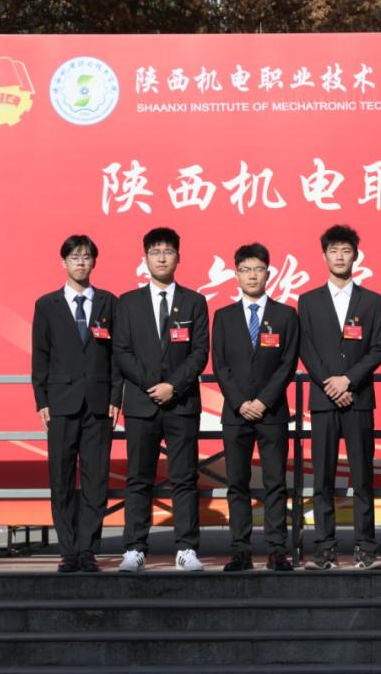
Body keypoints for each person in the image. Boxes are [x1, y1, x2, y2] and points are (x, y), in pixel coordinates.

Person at [113, 227, 209, 572]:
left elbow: (200, 352)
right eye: (155, 252)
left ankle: (186, 548)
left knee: (184, 478)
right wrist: (153, 385)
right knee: (139, 478)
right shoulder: (128, 302)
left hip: (181, 404)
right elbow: (122, 351)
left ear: (178, 257)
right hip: (142, 404)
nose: (162, 258)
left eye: (168, 251)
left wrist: (173, 386)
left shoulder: (194, 301)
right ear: (145, 259)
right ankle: (135, 548)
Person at [31, 234, 122, 573]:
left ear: (94, 262)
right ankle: (68, 550)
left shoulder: (108, 303)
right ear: (64, 263)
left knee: (96, 478)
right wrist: (41, 399)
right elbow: (40, 355)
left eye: (86, 257)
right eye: (74, 257)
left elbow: (117, 355)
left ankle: (88, 550)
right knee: (62, 476)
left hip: (99, 404)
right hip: (60, 403)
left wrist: (116, 396)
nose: (81, 262)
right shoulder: (47, 305)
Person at [298, 225, 381, 570]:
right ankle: (325, 549)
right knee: (322, 478)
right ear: (324, 256)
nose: (339, 256)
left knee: (362, 477)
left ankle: (365, 548)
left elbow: (378, 348)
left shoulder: (372, 301)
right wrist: (329, 384)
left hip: (358, 399)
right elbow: (306, 348)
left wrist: (348, 380)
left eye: (345, 250)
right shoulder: (308, 301)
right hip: (323, 402)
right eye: (333, 250)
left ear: (356, 256)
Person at [212, 243, 300, 572]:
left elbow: (288, 363)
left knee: (275, 482)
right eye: (245, 270)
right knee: (237, 483)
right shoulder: (223, 316)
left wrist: (263, 400)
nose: (252, 275)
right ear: (236, 274)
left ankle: (277, 549)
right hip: (236, 414)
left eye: (258, 269)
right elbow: (220, 365)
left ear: (268, 273)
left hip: (272, 412)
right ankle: (241, 550)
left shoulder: (285, 315)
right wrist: (240, 402)